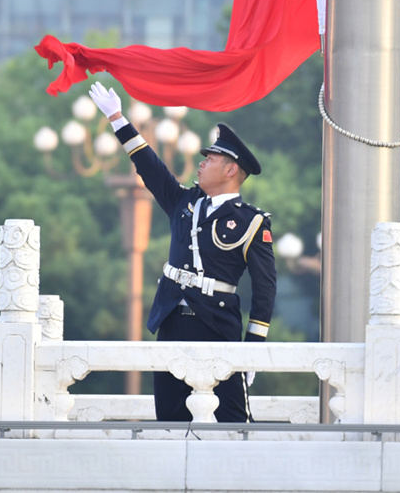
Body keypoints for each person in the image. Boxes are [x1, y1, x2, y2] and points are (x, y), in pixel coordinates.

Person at [88, 82, 276, 422]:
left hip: (217, 326)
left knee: (232, 422)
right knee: (171, 417)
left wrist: (253, 349)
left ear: (231, 170)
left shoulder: (250, 222)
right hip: (171, 320)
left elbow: (265, 291)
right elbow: (150, 168)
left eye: (212, 159)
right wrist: (117, 118)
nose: (202, 164)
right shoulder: (184, 202)